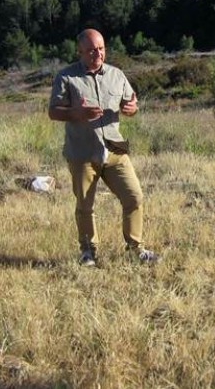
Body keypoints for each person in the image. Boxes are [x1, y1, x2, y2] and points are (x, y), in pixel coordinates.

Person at [48, 28, 159, 266]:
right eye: (91, 50)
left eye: (101, 48)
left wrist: (132, 109)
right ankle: (88, 252)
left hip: (115, 151)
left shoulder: (117, 75)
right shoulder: (66, 77)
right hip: (83, 154)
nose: (97, 54)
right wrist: (77, 113)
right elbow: (53, 111)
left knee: (134, 197)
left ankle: (135, 248)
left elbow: (131, 102)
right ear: (80, 52)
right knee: (85, 205)